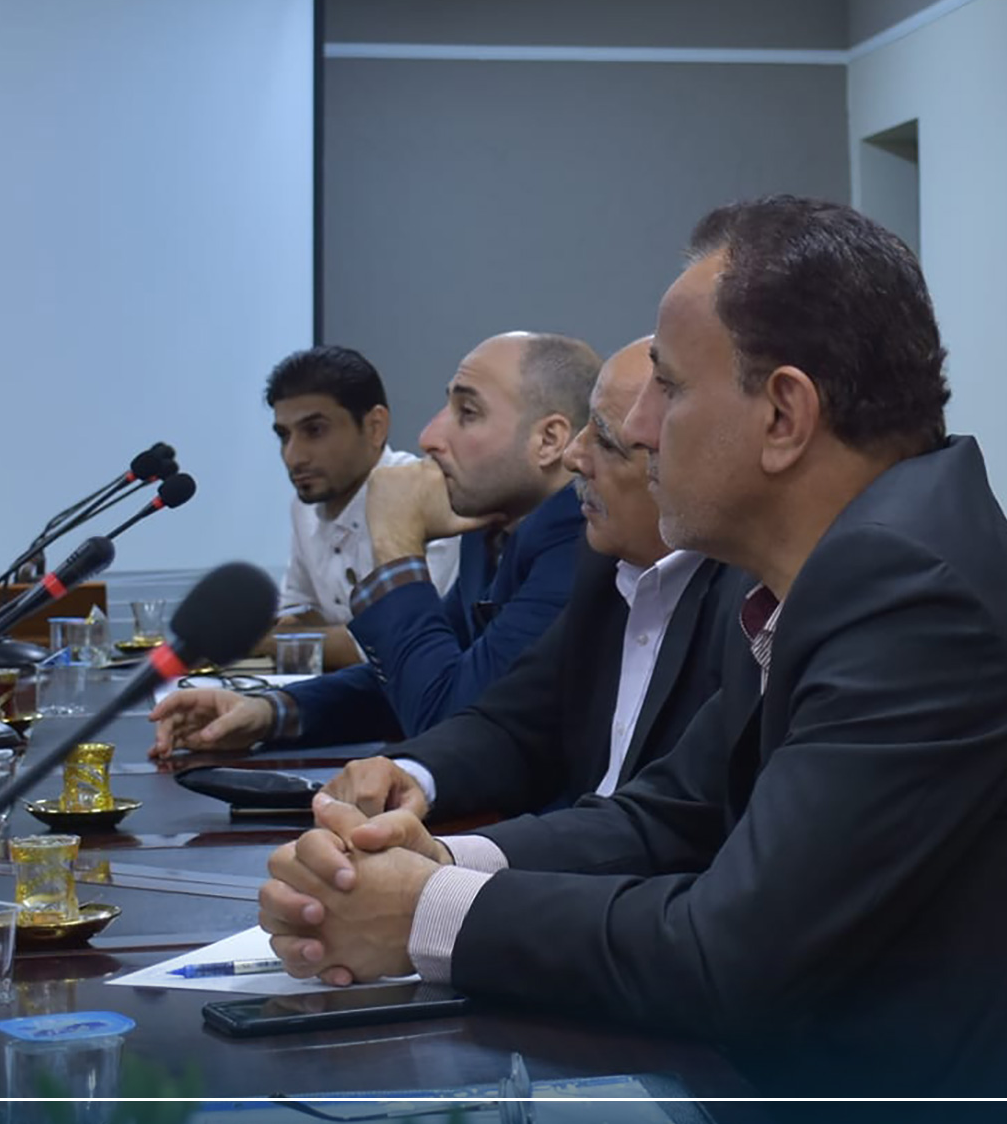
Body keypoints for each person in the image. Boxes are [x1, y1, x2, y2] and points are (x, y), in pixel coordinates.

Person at [255, 197, 1007, 1124]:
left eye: (669, 387)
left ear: (784, 415)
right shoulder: (821, 568)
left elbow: (731, 954)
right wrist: (439, 863)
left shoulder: (913, 591)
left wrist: (424, 913)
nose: (636, 430)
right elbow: (668, 814)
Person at [322, 337, 750, 822]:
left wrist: (394, 544)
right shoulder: (604, 565)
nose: (574, 456)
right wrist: (412, 775)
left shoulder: (743, 601)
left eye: (605, 440)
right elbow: (511, 722)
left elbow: (444, 706)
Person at [151, 331, 598, 752]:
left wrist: (395, 544)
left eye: (467, 413)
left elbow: (453, 725)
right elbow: (407, 680)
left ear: (549, 440)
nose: (429, 437)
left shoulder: (578, 546)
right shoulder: (491, 532)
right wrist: (270, 712)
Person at [262, 345, 460, 671]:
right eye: (284, 436)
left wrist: (261, 641)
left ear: (374, 427)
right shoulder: (304, 508)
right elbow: (297, 613)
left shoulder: (429, 495)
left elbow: (400, 644)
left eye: (314, 430)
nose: (293, 456)